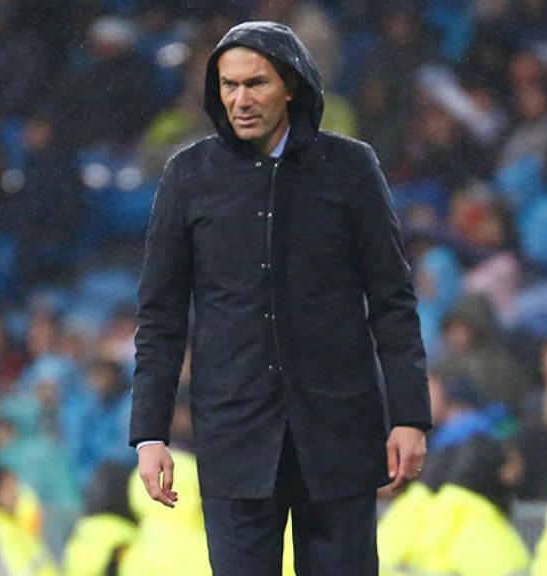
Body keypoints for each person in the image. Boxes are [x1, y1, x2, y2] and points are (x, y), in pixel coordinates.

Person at [129, 21, 431, 575]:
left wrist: (410, 416)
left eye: (256, 84)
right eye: (228, 86)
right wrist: (150, 434)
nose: (240, 100)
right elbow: (161, 318)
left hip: (339, 435)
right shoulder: (188, 175)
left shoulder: (351, 168)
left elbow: (392, 300)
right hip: (233, 439)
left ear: (291, 85)